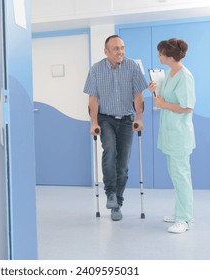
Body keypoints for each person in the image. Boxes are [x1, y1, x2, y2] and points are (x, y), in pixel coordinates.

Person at [83, 35, 147, 221]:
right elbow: (93, 99)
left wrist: (139, 118)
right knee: (110, 151)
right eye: (116, 48)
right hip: (106, 119)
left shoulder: (132, 67)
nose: (120, 51)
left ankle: (117, 203)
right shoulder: (96, 70)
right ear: (106, 51)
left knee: (123, 165)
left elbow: (138, 95)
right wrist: (94, 123)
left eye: (122, 47)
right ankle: (110, 193)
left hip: (127, 119)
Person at [148, 38, 196, 233]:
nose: (158, 56)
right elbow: (167, 98)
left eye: (160, 53)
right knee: (176, 176)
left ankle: (185, 220)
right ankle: (180, 213)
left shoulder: (185, 76)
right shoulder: (170, 73)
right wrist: (156, 91)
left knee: (182, 176)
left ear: (169, 56)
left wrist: (162, 105)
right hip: (170, 132)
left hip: (180, 134)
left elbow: (187, 106)